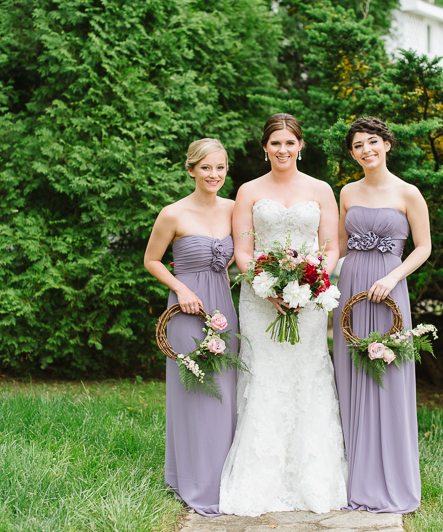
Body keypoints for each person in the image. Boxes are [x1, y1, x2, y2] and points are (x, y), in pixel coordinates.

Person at [219, 114, 347, 516]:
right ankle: (260, 479)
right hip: (261, 300)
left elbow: (330, 247)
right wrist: (267, 285)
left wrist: (310, 284)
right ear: (265, 147)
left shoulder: (321, 189)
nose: (283, 150)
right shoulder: (249, 190)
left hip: (309, 302)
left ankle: (313, 480)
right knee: (265, 378)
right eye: (275, 143)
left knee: (306, 377)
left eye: (290, 143)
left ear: (300, 146)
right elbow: (243, 247)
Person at [332, 117, 431, 513]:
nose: (366, 150)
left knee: (387, 373)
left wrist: (393, 276)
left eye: (372, 142)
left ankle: (391, 478)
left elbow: (423, 248)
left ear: (388, 144)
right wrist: (305, 279)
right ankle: (354, 474)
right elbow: (337, 246)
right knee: (351, 370)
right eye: (357, 145)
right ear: (353, 153)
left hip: (390, 288)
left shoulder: (409, 193)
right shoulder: (347, 192)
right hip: (352, 288)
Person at [143, 138, 237, 517]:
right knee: (195, 390)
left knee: (227, 392)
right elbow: (152, 260)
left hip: (224, 307)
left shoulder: (234, 210)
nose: (213, 175)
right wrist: (180, 287)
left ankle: (225, 478)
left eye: (220, 168)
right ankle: (193, 481)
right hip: (187, 307)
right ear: (191, 170)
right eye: (206, 168)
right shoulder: (173, 213)